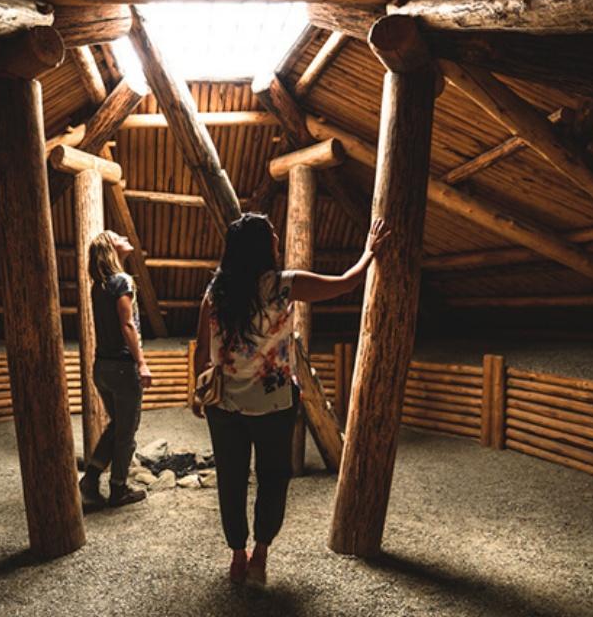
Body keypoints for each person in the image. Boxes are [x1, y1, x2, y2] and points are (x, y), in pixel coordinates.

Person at [194, 213, 390, 586]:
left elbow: (203, 349)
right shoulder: (283, 285)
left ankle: (238, 555)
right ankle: (260, 557)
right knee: (272, 478)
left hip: (225, 407)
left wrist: (201, 392)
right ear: (260, 246)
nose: (277, 239)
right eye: (271, 235)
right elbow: (346, 284)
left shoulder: (214, 292)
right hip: (275, 405)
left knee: (231, 481)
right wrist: (368, 252)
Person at [79, 230, 153, 508]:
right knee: (126, 432)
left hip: (102, 368)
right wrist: (142, 363)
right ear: (111, 247)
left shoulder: (99, 286)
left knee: (118, 426)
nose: (124, 236)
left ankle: (91, 478)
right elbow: (127, 325)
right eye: (117, 236)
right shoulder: (122, 282)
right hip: (123, 369)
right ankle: (119, 488)